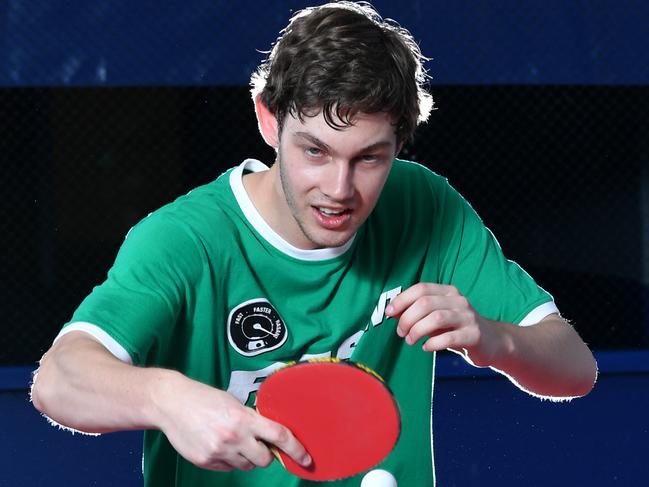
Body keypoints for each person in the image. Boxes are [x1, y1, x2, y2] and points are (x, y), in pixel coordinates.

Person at [31, 2, 597, 486]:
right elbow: (59, 379)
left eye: (369, 158)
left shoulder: (425, 205)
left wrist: (494, 339)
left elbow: (575, 369)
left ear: (399, 142)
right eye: (316, 152)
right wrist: (166, 398)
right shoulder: (186, 240)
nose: (339, 190)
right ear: (269, 122)